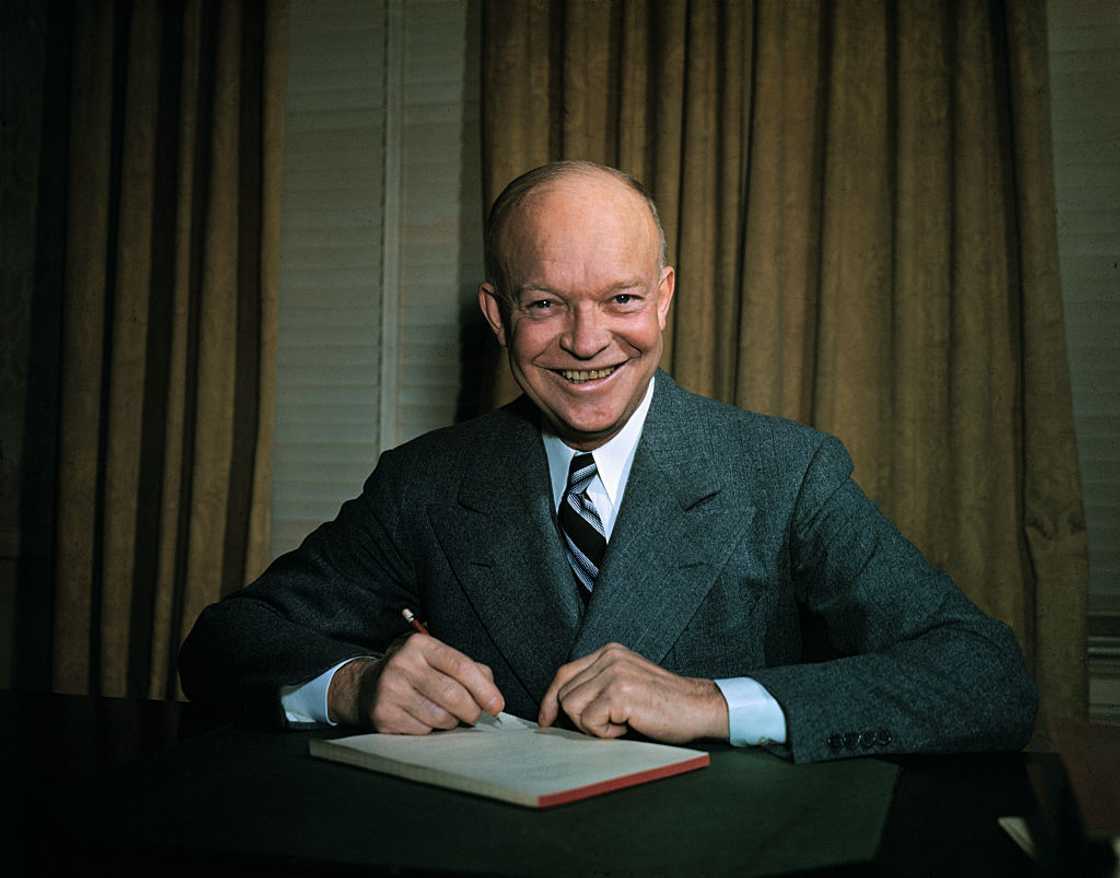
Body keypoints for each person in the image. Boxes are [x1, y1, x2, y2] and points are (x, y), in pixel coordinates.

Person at [179, 161, 1037, 763]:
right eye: (546, 304)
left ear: (664, 295)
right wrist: (354, 687)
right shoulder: (427, 482)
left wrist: (711, 703)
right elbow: (226, 644)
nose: (588, 343)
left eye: (621, 300)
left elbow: (984, 675)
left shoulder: (786, 471)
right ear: (496, 312)